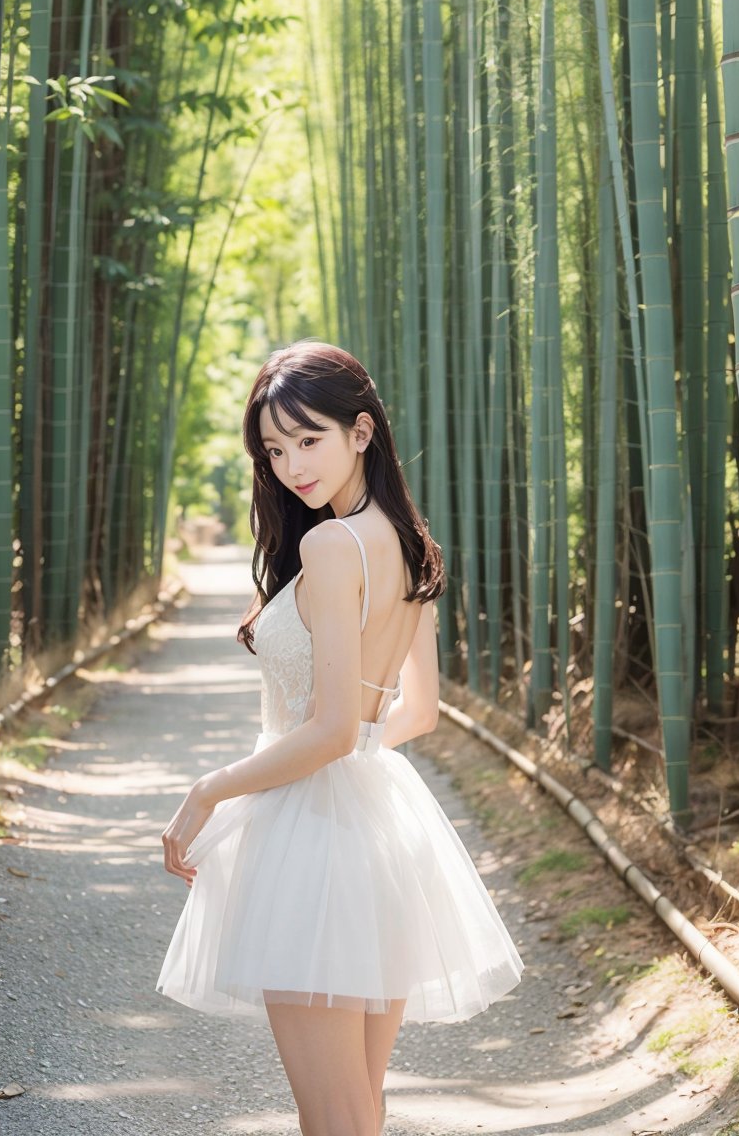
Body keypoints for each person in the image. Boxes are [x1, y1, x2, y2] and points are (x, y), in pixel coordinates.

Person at [157, 340, 524, 1136]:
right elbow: (414, 714)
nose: (292, 465)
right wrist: (352, 757)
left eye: (309, 439)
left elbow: (325, 728)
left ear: (362, 432)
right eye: (275, 449)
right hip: (383, 833)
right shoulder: (408, 539)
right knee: (359, 1110)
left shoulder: (330, 546)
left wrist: (209, 790)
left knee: (332, 1118)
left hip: (316, 843)